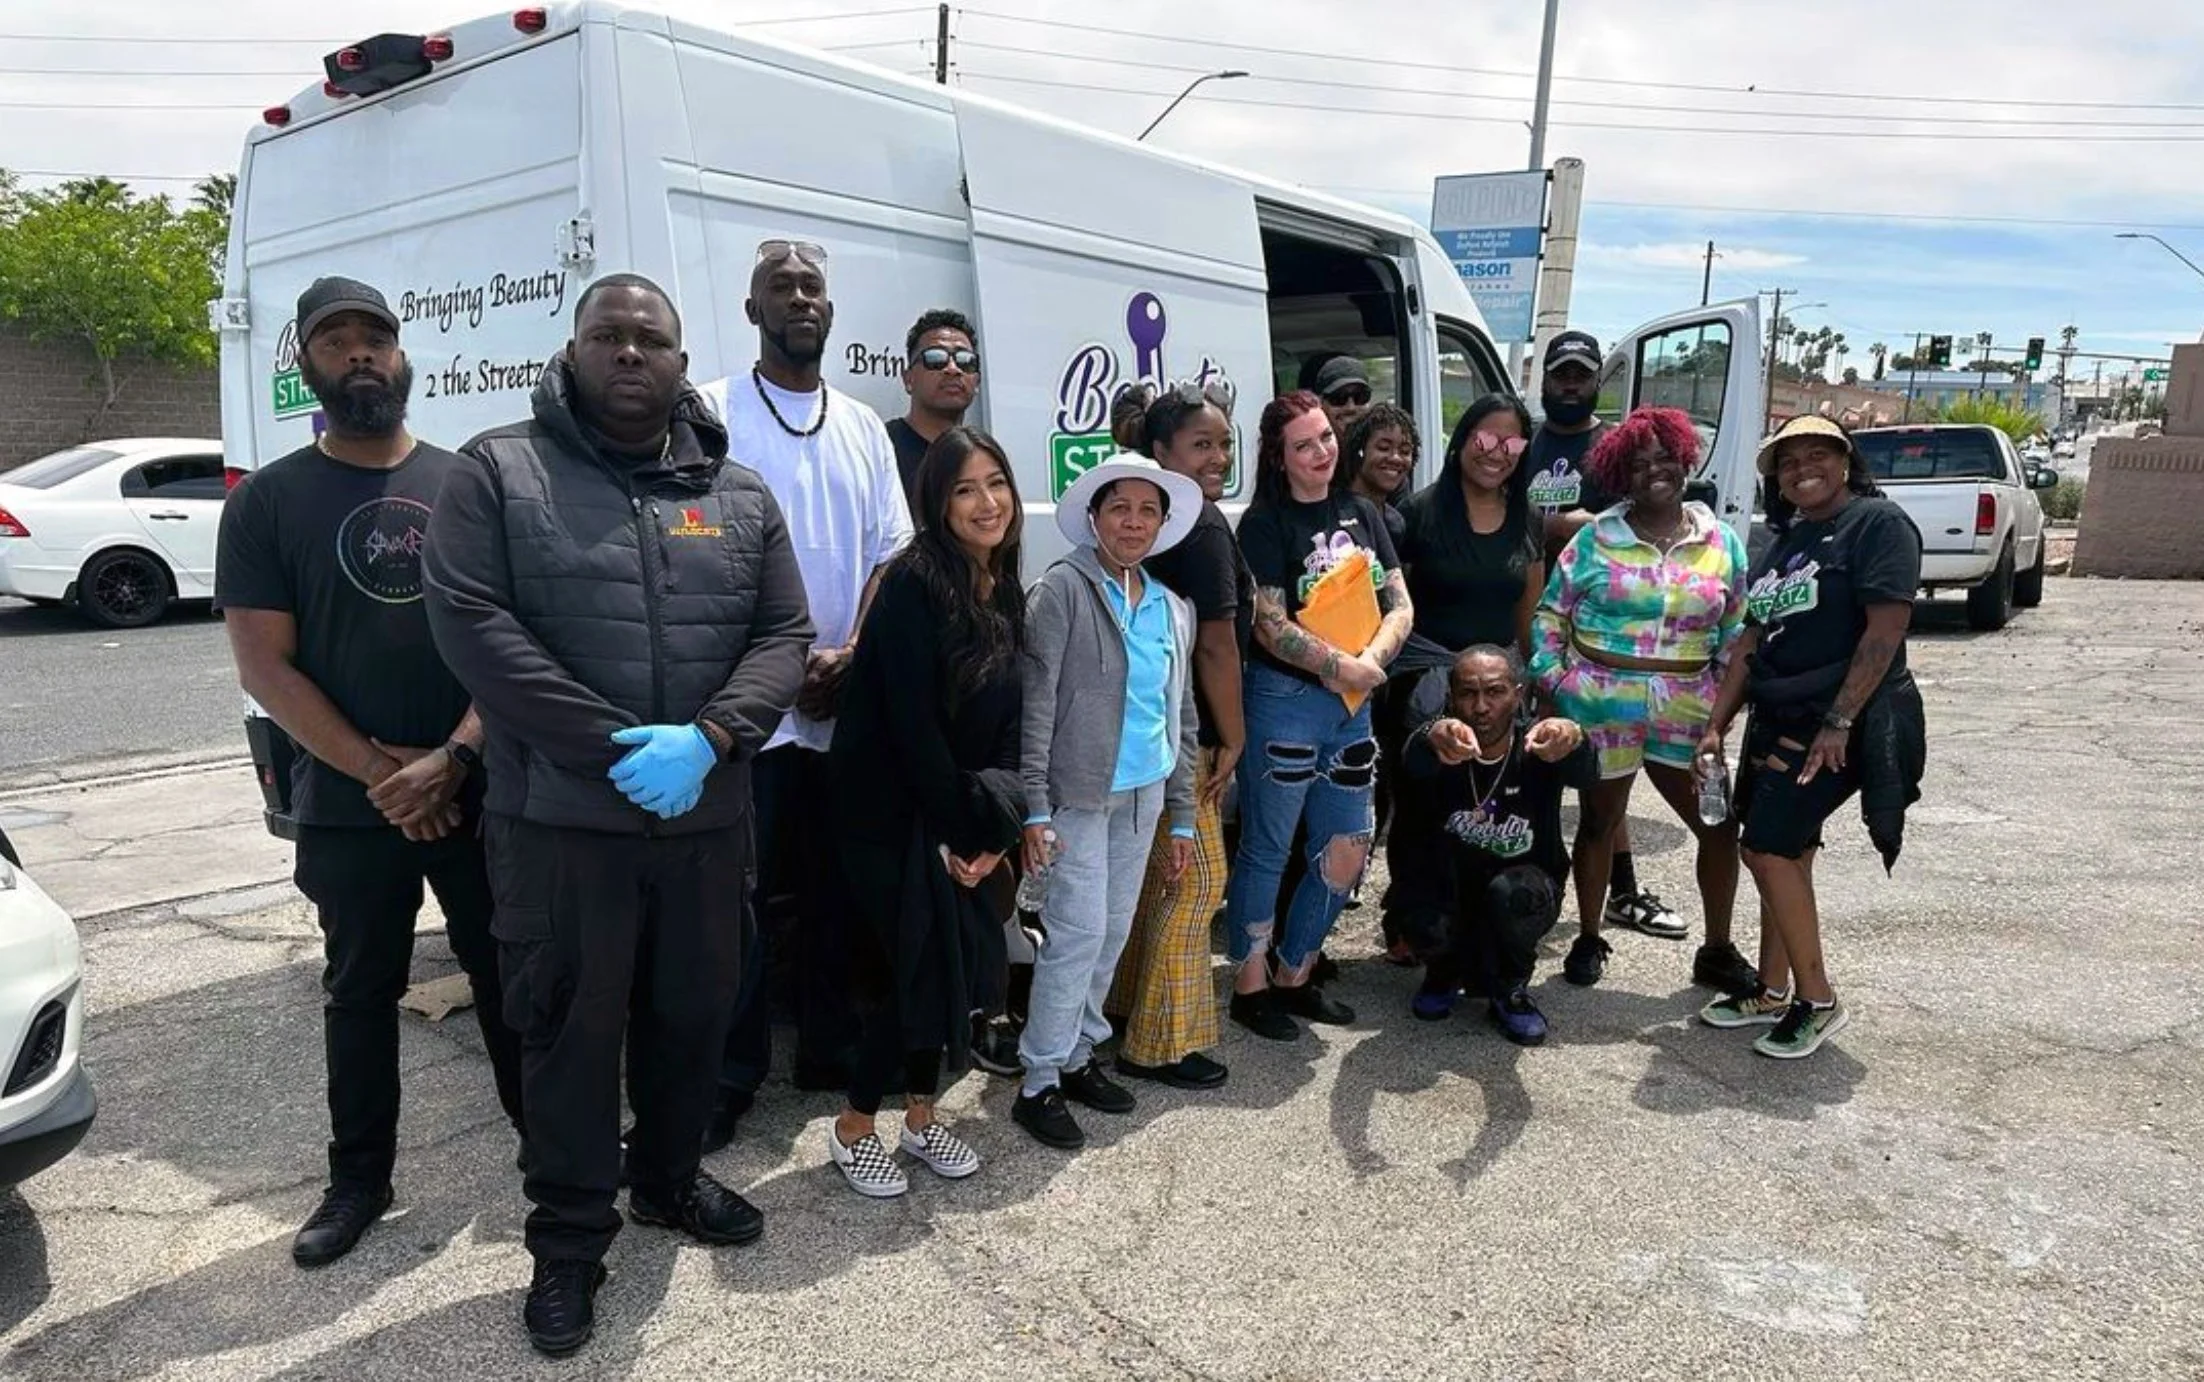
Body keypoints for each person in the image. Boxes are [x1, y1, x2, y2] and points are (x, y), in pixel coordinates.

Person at [423, 274, 813, 1356]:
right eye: (610, 334)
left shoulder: (737, 493)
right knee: (568, 1034)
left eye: (652, 338)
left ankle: (669, 1180)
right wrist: (613, 750)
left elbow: (784, 629)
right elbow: (471, 625)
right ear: (575, 348)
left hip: (704, 818)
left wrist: (712, 738)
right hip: (559, 828)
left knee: (695, 1012)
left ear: (684, 361)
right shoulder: (498, 470)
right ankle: (566, 1241)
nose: (631, 352)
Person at [215, 276, 525, 1271]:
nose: (359, 354)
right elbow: (265, 663)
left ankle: (552, 1149)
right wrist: (383, 772)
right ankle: (360, 1179)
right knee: (359, 990)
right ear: (304, 363)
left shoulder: (465, 482)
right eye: (334, 340)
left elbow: (508, 635)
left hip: (479, 784)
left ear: (403, 355)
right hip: (351, 803)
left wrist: (453, 756)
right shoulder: (267, 501)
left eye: (375, 338)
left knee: (509, 971)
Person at [703, 238, 913, 1140]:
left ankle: (827, 1048)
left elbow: (890, 552)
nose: (798, 298)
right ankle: (727, 1077)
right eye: (778, 286)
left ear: (830, 310)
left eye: (812, 286)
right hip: (747, 710)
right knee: (736, 902)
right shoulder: (707, 412)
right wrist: (781, 669)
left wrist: (857, 649)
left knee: (838, 890)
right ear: (752, 310)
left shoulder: (863, 425)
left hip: (841, 703)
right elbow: (691, 555)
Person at [824, 427, 1026, 1195]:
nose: (987, 503)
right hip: (890, 815)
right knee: (905, 971)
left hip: (958, 810)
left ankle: (919, 1116)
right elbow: (910, 731)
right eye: (965, 489)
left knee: (952, 972)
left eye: (996, 483)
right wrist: (960, 831)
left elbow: (1009, 714)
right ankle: (853, 1127)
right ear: (936, 503)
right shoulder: (915, 583)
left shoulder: (1000, 580)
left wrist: (993, 829)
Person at [1697, 415, 1925, 1058]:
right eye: (1788, 462)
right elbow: (1749, 641)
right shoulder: (1786, 539)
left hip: (1841, 721)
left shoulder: (1877, 526)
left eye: (1817, 454)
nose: (1803, 469)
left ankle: (1817, 1001)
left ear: (1846, 460)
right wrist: (1717, 724)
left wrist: (1839, 721)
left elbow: (1885, 633)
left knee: (1767, 848)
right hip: (1780, 715)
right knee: (1787, 851)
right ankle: (1771, 990)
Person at [1529, 406, 1761, 998]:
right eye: (1636, 464)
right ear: (1619, 475)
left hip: (1689, 709)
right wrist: (1556, 681)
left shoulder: (1721, 542)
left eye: (1663, 458)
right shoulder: (1595, 538)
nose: (1652, 471)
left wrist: (1723, 710)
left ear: (1686, 460)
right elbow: (1552, 614)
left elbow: (1738, 632)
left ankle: (1716, 949)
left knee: (1718, 825)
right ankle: (1587, 936)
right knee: (1601, 822)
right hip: (1601, 704)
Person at [1015, 455, 1200, 1150]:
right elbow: (1036, 704)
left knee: (1112, 932)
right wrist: (1035, 805)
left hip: (1144, 794)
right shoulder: (1061, 590)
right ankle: (1038, 1080)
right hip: (1078, 797)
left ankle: (1077, 1052)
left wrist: (1181, 814)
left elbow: (1179, 717)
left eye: (1146, 510)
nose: (1132, 521)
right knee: (1076, 934)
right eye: (1118, 507)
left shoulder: (1169, 605)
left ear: (1161, 523)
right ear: (1094, 518)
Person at [1224, 391, 1414, 1041]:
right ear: (1279, 458)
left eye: (1327, 438)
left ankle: (1294, 973)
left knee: (1347, 852)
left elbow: (1400, 601)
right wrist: (1343, 669)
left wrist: (1372, 661)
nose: (1321, 453)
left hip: (1352, 706)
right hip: (1286, 704)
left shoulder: (1362, 510)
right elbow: (1270, 624)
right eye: (1304, 445)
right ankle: (1250, 985)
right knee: (1269, 849)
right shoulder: (1265, 523)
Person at [1106, 383, 1246, 1091]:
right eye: (1200, 445)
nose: (1217, 457)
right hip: (1188, 728)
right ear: (1160, 453)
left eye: (1223, 443)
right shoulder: (1204, 526)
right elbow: (1217, 645)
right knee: (1195, 883)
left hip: (1146, 726)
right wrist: (1235, 732)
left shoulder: (1157, 519)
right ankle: (1157, 1043)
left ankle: (1126, 1008)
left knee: (1156, 878)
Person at [1384, 395, 1545, 965]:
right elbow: (1393, 606)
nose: (1496, 453)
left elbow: (1529, 609)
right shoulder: (1417, 513)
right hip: (1422, 679)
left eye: (1511, 443)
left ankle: (1479, 921)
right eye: (1484, 439)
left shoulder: (1527, 517)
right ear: (1461, 440)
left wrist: (1535, 679)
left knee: (1487, 806)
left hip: (1498, 684)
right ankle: (1411, 919)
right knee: (1421, 806)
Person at [1527, 330, 1670, 940]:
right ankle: (1525, 877)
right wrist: (1557, 520)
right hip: (1523, 621)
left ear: (1594, 382)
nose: (1569, 383)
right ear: (1545, 379)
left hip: (1593, 641)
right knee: (1527, 759)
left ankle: (1624, 891)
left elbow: (1625, 525)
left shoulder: (1614, 449)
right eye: (1560, 373)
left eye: (1581, 375)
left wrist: (1561, 526)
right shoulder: (1522, 440)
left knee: (1604, 776)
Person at [1402, 646, 1594, 1044]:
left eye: (1495, 692)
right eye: (1468, 694)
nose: (1481, 706)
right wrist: (1428, 735)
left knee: (1515, 895)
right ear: (1451, 697)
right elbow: (1412, 760)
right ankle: (1442, 973)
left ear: (1518, 694)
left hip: (1519, 884)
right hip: (1452, 887)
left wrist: (1575, 738)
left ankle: (1510, 988)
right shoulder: (1443, 744)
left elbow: (1588, 774)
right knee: (1419, 907)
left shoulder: (1539, 747)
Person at [886, 308, 980, 506]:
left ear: (977, 382)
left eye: (965, 361)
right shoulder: (881, 448)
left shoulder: (982, 457)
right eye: (935, 358)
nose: (953, 369)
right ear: (908, 379)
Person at [1303, 354, 1374, 440]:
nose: (1350, 408)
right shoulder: (1316, 451)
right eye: (1339, 398)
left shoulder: (1385, 447)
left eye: (1360, 397)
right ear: (1320, 403)